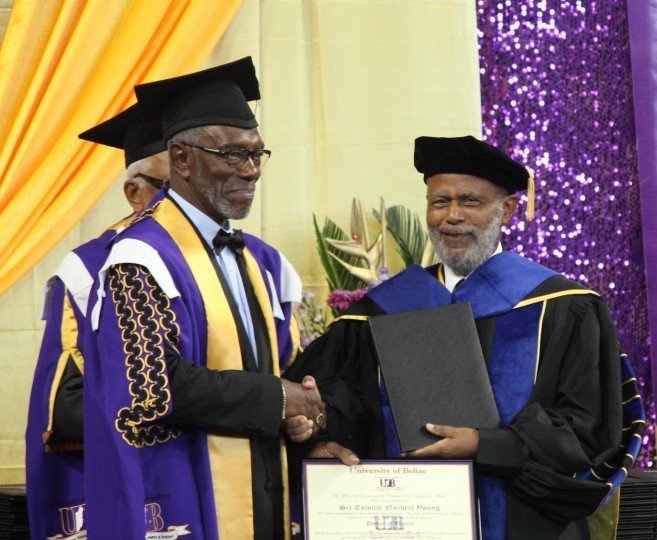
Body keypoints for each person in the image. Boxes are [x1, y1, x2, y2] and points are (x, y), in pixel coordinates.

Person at [284, 135, 644, 539]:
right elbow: (340, 404)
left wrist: (484, 444)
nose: (451, 216)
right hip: (402, 523)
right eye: (440, 201)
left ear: (507, 209)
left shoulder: (563, 307)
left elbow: (591, 427)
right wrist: (316, 431)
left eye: (470, 201)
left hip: (525, 524)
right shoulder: (382, 310)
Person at [83, 57, 321, 540]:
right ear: (182, 158)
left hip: (261, 488)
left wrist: (303, 414)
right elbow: (152, 388)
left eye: (256, 154)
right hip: (184, 494)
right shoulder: (139, 256)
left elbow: (282, 366)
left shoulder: (254, 259)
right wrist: (277, 397)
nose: (251, 171)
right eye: (232, 155)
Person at [25, 104, 169, 539]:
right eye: (170, 187)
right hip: (143, 480)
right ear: (135, 192)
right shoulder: (88, 270)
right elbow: (66, 408)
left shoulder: (250, 263)